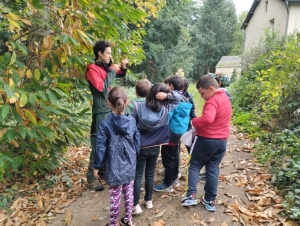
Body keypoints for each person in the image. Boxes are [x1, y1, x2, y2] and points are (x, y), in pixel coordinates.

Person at [180, 75, 232, 212]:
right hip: (221, 141)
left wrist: (195, 122)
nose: (202, 97)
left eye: (203, 93)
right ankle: (210, 200)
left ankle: (191, 195)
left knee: (195, 165)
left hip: (207, 139)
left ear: (210, 88)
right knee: (213, 168)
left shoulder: (213, 101)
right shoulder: (226, 98)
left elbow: (208, 119)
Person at [131, 83, 181, 215]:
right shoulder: (166, 109)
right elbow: (179, 98)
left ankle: (135, 204)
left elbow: (131, 125)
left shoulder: (138, 106)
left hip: (140, 146)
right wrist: (168, 95)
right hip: (155, 147)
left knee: (137, 175)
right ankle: (148, 201)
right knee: (150, 173)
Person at [93, 86, 140, 226]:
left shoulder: (105, 124)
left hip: (113, 166)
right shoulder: (131, 121)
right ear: (127, 102)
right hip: (130, 164)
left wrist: (96, 166)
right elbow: (137, 142)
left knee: (115, 196)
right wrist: (134, 156)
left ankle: (113, 224)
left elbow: (100, 146)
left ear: (108, 103)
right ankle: (128, 220)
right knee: (129, 194)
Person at [85, 40, 128, 191]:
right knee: (98, 142)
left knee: (110, 140)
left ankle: (102, 171)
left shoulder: (106, 66)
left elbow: (119, 74)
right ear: (100, 53)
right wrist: (111, 71)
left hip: (109, 109)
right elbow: (103, 89)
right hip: (100, 110)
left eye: (110, 53)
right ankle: (91, 178)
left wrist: (123, 68)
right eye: (108, 53)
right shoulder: (92, 69)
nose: (110, 56)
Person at [153, 75, 192, 192]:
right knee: (175, 155)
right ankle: (175, 176)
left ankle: (167, 184)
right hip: (179, 132)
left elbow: (167, 116)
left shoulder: (173, 100)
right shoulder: (185, 97)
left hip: (170, 134)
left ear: (171, 86)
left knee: (167, 158)